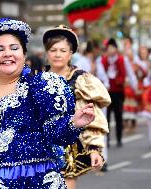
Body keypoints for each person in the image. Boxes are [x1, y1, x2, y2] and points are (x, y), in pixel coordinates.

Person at [0, 18, 95, 188]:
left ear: (23, 55)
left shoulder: (41, 87)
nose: (7, 53)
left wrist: (73, 123)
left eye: (14, 48)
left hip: (32, 180)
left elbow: (55, 134)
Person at [42, 25, 111, 189]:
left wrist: (94, 149)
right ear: (47, 52)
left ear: (71, 53)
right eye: (53, 50)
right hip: (40, 145)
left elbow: (91, 117)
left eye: (62, 50)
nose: (57, 54)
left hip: (67, 146)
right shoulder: (36, 77)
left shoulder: (80, 80)